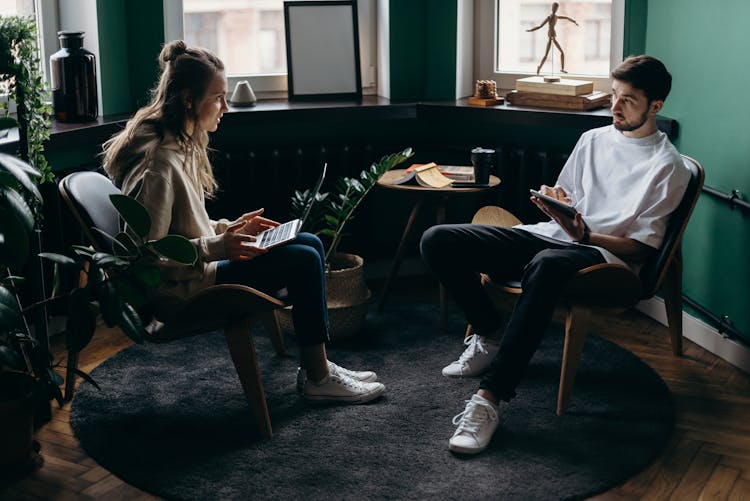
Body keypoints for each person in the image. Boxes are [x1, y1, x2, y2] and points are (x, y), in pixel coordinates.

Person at [420, 55, 690, 454]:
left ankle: (489, 399)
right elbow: (569, 195)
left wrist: (588, 233)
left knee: (545, 265)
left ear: (656, 107)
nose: (615, 107)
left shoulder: (668, 166)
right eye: (614, 95)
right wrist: (556, 203)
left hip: (605, 258)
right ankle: (489, 332)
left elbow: (640, 247)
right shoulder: (593, 139)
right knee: (437, 239)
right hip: (556, 236)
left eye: (628, 100)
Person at [102, 40, 385, 405]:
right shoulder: (159, 165)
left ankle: (319, 365)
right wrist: (218, 247)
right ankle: (318, 376)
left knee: (310, 243)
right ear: (189, 99)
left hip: (200, 272)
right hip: (183, 293)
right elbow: (145, 258)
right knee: (304, 259)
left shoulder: (180, 143)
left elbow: (185, 227)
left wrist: (229, 228)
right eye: (218, 97)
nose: (225, 106)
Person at [526, 2, 579, 75]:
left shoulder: (556, 17)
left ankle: (561, 69)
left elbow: (566, 18)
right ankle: (540, 68)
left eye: (556, 8)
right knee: (549, 54)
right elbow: (540, 26)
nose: (555, 9)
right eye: (554, 8)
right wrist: (531, 30)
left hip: (553, 33)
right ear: (552, 8)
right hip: (551, 34)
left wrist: (574, 21)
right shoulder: (549, 17)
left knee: (556, 53)